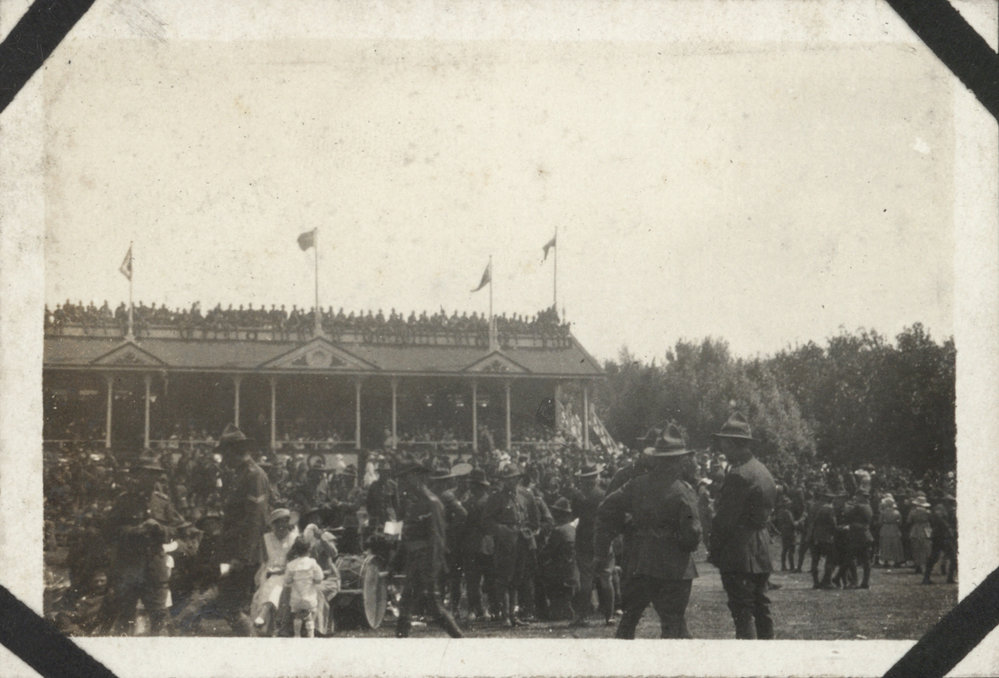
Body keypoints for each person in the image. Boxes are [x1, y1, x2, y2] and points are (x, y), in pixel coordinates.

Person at [594, 423, 701, 639]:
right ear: (677, 460)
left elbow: (606, 507)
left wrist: (629, 526)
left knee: (629, 620)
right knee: (673, 625)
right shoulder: (683, 492)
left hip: (641, 562)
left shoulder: (636, 485)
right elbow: (693, 536)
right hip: (674, 568)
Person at [708, 412, 777, 639]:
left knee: (742, 610)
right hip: (761, 548)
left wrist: (715, 549)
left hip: (740, 550)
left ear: (731, 443)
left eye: (723, 443)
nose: (721, 447)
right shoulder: (762, 469)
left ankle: (747, 657)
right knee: (761, 606)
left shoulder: (739, 475)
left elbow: (725, 520)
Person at [101, 451, 185, 635]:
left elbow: (178, 530)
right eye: (147, 474)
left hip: (154, 567)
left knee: (159, 617)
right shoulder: (124, 501)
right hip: (129, 566)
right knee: (125, 617)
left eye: (155, 474)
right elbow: (108, 532)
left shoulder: (163, 502)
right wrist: (135, 531)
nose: (151, 479)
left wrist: (160, 529)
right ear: (137, 475)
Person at [393, 460, 463, 638]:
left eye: (405, 478)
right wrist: (397, 561)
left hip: (426, 561)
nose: (402, 482)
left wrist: (432, 567)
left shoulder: (432, 503)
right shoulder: (415, 504)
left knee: (434, 607)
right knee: (407, 603)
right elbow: (407, 535)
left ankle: (460, 639)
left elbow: (437, 538)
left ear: (417, 478)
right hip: (415, 560)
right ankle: (400, 639)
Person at [215, 424, 271, 636]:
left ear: (233, 451)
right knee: (228, 605)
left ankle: (251, 645)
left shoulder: (254, 475)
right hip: (233, 551)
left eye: (224, 453)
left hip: (243, 554)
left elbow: (255, 520)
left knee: (231, 606)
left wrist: (242, 556)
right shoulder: (240, 475)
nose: (223, 459)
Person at [565, 461, 614, 628]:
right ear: (596, 477)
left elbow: (574, 515)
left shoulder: (578, 496)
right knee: (606, 578)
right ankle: (609, 615)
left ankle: (582, 616)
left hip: (584, 541)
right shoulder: (604, 494)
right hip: (602, 539)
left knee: (586, 580)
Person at [251, 508, 299, 634]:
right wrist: (264, 573)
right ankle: (267, 622)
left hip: (288, 573)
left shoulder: (294, 538)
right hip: (268, 572)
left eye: (284, 522)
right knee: (271, 582)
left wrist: (281, 571)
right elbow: (264, 560)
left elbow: (294, 561)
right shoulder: (266, 538)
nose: (281, 526)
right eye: (277, 523)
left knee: (276, 583)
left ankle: (263, 613)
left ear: (288, 523)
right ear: (273, 525)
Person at [538, 497, 579, 621]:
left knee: (540, 573)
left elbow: (547, 551)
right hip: (573, 568)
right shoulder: (573, 528)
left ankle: (556, 608)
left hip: (561, 570)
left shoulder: (559, 531)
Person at [284, 537, 324, 637]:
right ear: (309, 549)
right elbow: (319, 578)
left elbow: (287, 580)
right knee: (311, 613)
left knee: (297, 615)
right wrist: (313, 580)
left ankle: (297, 634)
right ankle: (310, 633)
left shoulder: (291, 565)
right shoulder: (312, 563)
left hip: (296, 599)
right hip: (309, 598)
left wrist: (294, 579)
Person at [843, 488, 874, 588]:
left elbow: (847, 515)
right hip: (866, 534)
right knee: (866, 560)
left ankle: (854, 581)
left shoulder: (858, 507)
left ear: (860, 496)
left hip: (856, 535)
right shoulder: (868, 507)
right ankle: (865, 582)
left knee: (850, 557)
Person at [923, 495, 957, 585]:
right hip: (941, 535)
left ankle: (928, 577)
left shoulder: (944, 509)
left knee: (936, 557)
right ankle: (927, 578)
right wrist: (948, 528)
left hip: (941, 535)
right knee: (951, 557)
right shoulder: (940, 509)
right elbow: (940, 520)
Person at [908, 496, 933, 575]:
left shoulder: (913, 512)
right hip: (926, 528)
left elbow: (909, 521)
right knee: (926, 548)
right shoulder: (928, 512)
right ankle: (925, 565)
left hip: (916, 529)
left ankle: (918, 565)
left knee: (916, 548)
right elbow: (932, 520)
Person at [878, 497, 905, 567]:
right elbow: (900, 523)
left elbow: (880, 522)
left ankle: (886, 561)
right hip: (894, 528)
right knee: (896, 545)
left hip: (885, 528)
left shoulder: (883, 512)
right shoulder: (897, 512)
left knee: (885, 545)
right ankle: (897, 561)